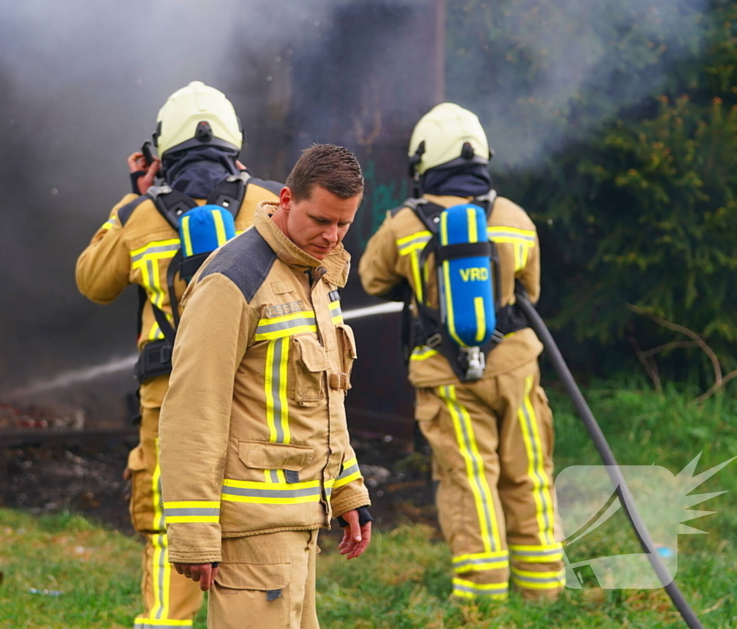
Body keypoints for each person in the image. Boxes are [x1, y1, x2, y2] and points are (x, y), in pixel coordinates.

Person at [76, 81, 284, 628]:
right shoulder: (272, 203)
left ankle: (167, 620)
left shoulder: (139, 215)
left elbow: (92, 282)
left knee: (174, 518)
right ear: (236, 147)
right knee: (256, 514)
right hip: (257, 389)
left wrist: (133, 195)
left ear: (161, 153)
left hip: (170, 394)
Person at [158, 144, 373, 628]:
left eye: (343, 223)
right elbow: (193, 411)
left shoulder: (315, 276)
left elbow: (324, 403)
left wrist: (347, 490)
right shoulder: (233, 280)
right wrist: (193, 532)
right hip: (250, 535)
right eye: (321, 220)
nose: (332, 236)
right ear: (285, 199)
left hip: (299, 526)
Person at [359, 103, 564, 602]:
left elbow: (371, 278)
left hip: (444, 374)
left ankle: (481, 593)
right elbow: (529, 292)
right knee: (529, 472)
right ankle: (543, 590)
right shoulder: (514, 218)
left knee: (468, 478)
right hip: (515, 366)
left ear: (423, 164)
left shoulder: (405, 224)